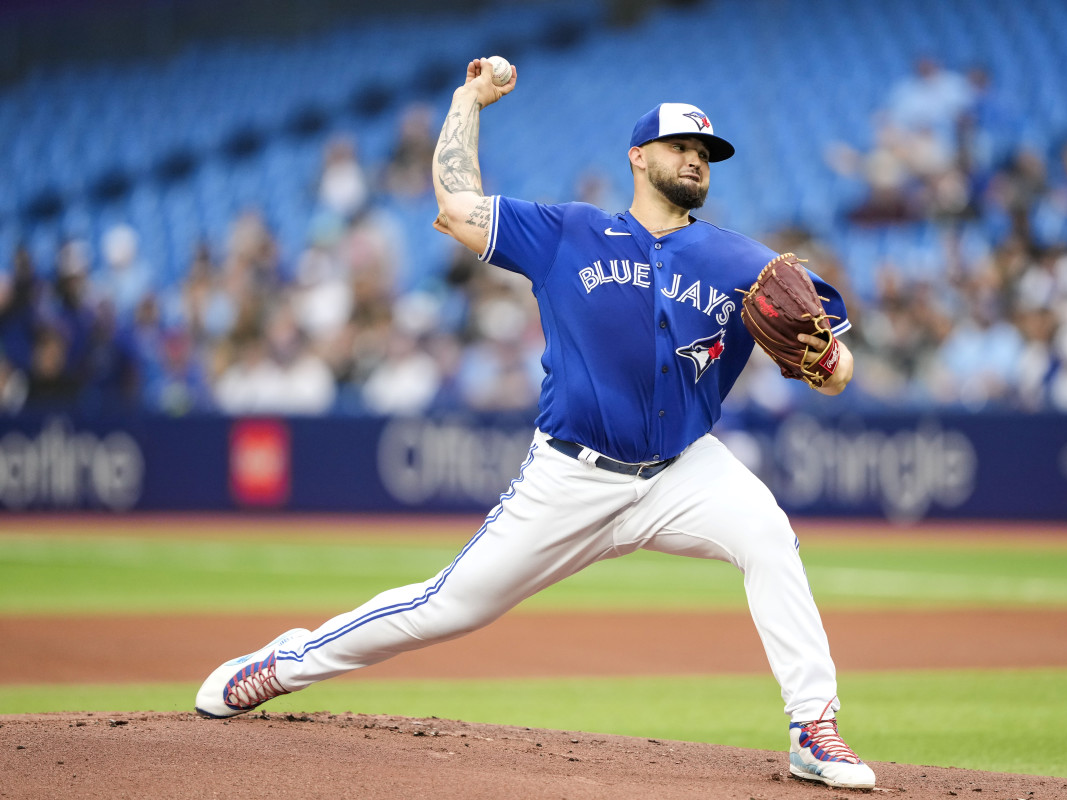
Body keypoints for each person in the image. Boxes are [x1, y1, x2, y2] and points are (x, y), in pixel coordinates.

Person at [195, 57, 873, 790]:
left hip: (683, 469)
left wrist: (830, 364)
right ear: (638, 157)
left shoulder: (744, 261)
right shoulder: (567, 232)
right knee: (447, 606)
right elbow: (458, 207)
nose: (695, 160)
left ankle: (814, 728)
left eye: (705, 153)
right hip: (570, 475)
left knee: (768, 534)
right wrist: (469, 101)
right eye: (680, 146)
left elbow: (835, 368)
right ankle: (283, 664)